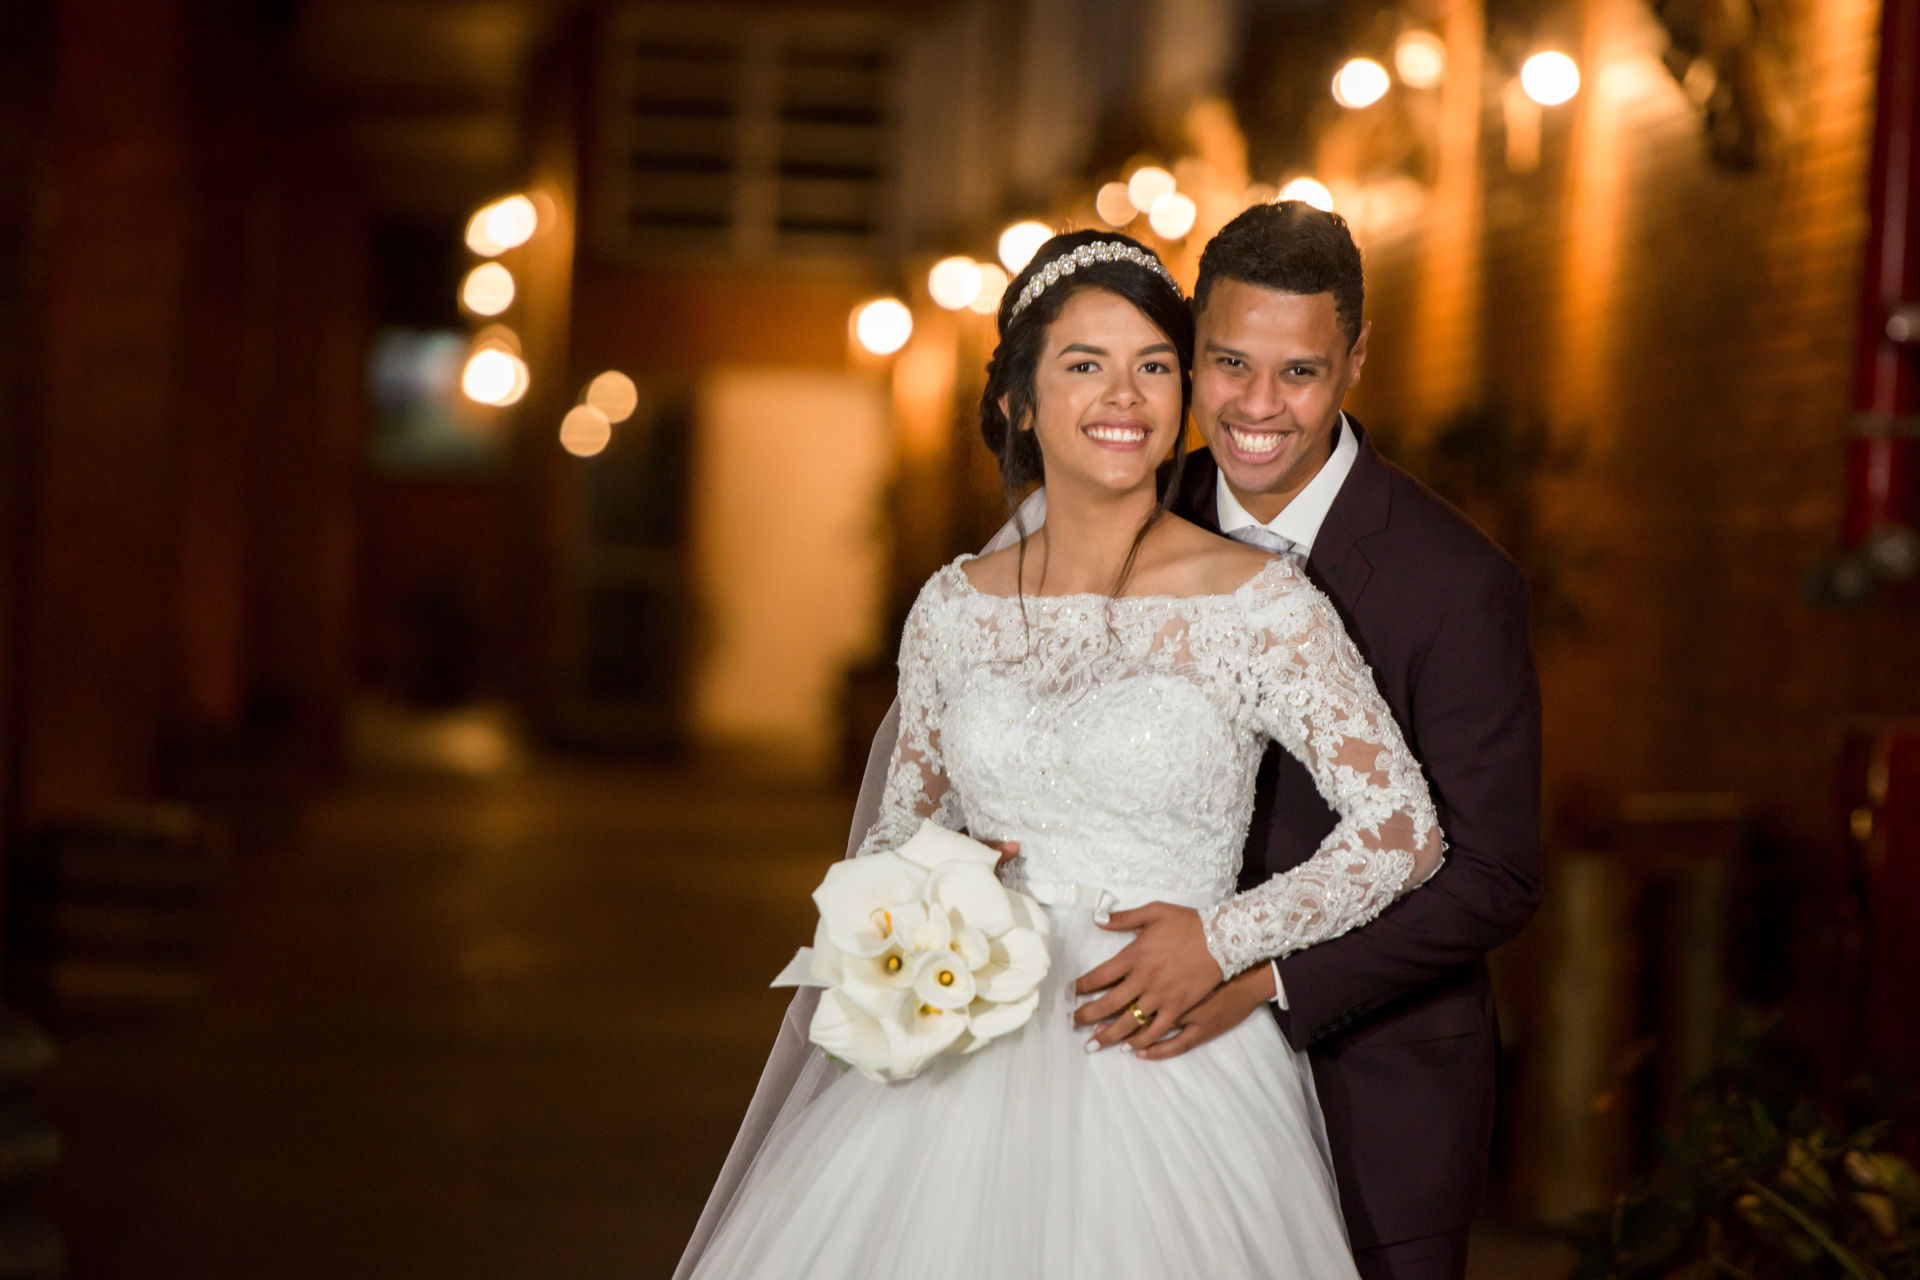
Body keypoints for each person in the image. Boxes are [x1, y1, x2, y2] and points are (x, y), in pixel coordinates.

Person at [674, 229, 1444, 1279]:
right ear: (1019, 403)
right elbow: (898, 834)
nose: (1124, 395)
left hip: (1165, 1051)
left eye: (1154, 366)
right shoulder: (953, 608)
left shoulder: (1263, 603)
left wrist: (1224, 938)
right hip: (964, 1052)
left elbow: (1403, 829)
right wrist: (940, 892)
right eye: (1085, 364)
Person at [1100, 201, 1543, 1280]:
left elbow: (1493, 874)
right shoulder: (1117, 523)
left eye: (1298, 373)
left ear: (1355, 358)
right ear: (1191, 353)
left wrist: (1259, 972)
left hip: (1373, 1097)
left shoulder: (1459, 582)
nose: (1258, 407)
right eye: (1230, 364)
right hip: (1130, 1080)